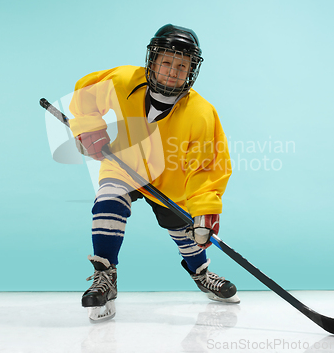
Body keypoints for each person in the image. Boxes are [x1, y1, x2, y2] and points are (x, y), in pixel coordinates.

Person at [68, 24, 238, 322]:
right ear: (153, 61)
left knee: (188, 234)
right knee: (108, 201)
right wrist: (87, 127)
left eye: (182, 65)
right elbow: (85, 96)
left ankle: (201, 273)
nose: (173, 71)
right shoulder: (123, 80)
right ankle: (105, 277)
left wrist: (205, 211)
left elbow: (208, 166)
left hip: (170, 180)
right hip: (124, 163)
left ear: (191, 70)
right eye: (167, 62)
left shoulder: (201, 112)